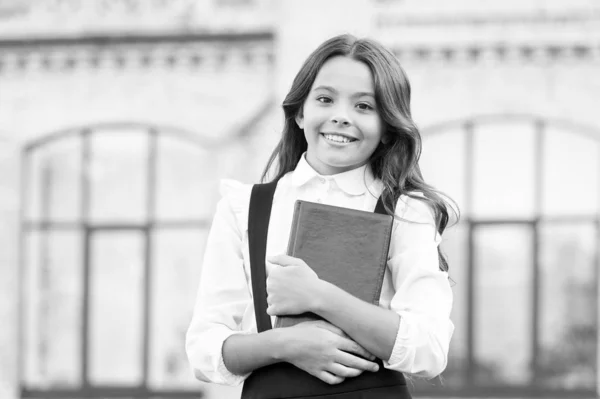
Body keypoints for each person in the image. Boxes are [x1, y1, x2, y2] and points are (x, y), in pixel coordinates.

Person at [186, 34, 458, 399]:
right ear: (300, 112)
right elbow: (205, 349)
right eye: (325, 99)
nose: (341, 117)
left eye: (364, 106)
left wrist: (319, 296)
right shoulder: (244, 207)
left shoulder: (406, 211)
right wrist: (287, 343)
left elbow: (430, 347)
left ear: (387, 127)